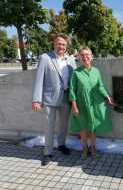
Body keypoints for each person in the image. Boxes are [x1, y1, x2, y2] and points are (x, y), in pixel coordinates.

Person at [32, 33, 76, 166]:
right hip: (49, 98)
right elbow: (39, 80)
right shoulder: (45, 58)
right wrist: (36, 99)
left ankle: (61, 145)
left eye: (63, 44)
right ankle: (47, 153)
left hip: (66, 97)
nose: (61, 46)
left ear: (66, 46)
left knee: (63, 125)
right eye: (59, 44)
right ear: (54, 44)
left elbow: (74, 80)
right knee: (49, 127)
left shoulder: (71, 59)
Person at [69, 46, 114, 159]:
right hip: (81, 104)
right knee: (83, 127)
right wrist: (74, 106)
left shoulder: (96, 71)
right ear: (79, 57)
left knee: (93, 127)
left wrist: (107, 96)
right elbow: (72, 90)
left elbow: (100, 86)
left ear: (91, 56)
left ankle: (93, 147)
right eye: (82, 55)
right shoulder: (76, 73)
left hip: (94, 104)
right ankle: (84, 148)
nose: (85, 57)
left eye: (87, 54)